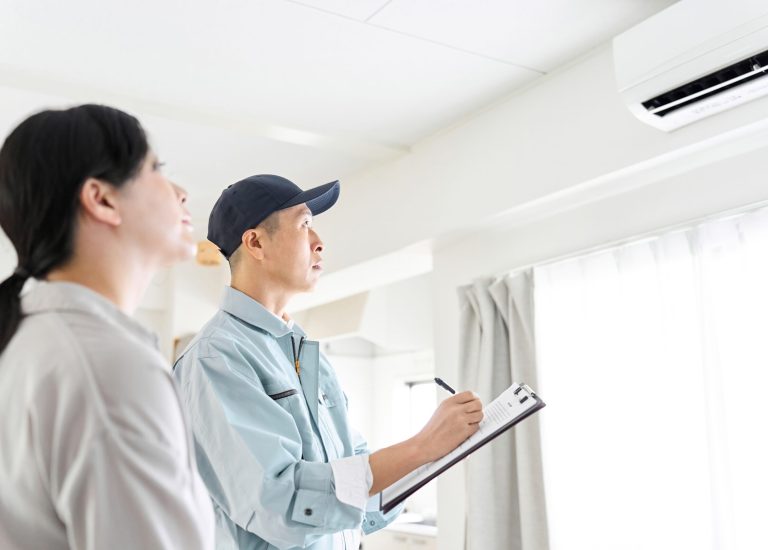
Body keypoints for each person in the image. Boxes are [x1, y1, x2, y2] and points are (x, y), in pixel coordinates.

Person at [173, 174, 484, 549]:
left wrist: (435, 452)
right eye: (304, 225)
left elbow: (361, 499)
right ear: (255, 242)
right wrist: (421, 447)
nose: (319, 244)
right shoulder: (216, 357)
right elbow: (282, 503)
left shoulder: (304, 352)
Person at [0, 105, 214, 549]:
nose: (181, 192)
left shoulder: (32, 341)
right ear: (102, 199)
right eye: (156, 168)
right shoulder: (109, 368)